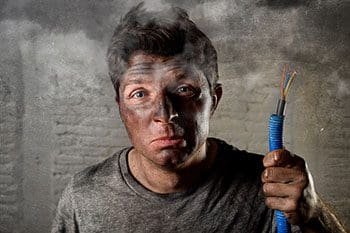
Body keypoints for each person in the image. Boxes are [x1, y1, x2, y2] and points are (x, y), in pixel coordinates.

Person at [51, 3, 347, 233]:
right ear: (120, 107)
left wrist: (316, 215)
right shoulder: (82, 198)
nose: (165, 114)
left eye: (183, 89)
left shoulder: (271, 190)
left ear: (213, 100)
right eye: (140, 94)